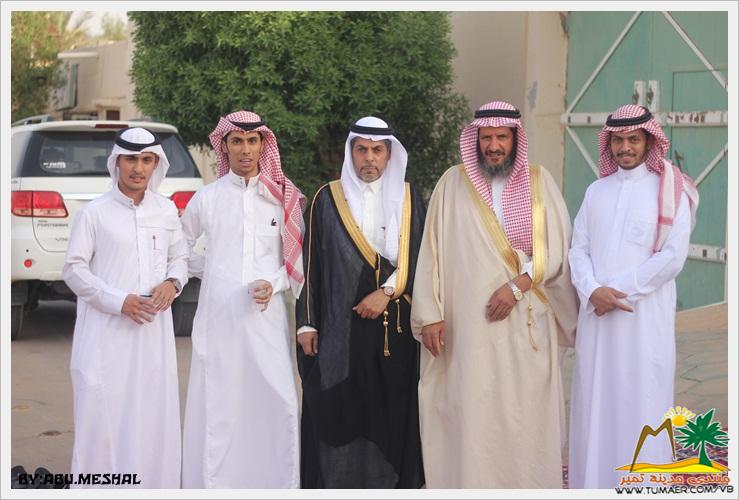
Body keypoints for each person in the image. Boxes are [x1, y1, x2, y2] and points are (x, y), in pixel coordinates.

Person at [410, 101, 578, 488]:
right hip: (468, 328)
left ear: (515, 139)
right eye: (486, 137)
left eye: (502, 137)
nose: (494, 145)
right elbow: (431, 253)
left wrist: (517, 286)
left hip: (525, 322)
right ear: (475, 140)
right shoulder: (452, 184)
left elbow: (557, 249)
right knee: (472, 408)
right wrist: (430, 314)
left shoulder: (539, 182)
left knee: (524, 411)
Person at [568, 104, 699, 489]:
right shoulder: (596, 191)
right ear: (608, 143)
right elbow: (578, 250)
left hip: (643, 321)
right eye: (618, 140)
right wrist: (593, 290)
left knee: (642, 402)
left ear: (649, 141)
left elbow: (672, 258)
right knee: (595, 403)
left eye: (633, 139)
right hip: (596, 319)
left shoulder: (671, 192)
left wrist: (616, 292)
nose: (625, 147)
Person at [296, 117, 426, 488]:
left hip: (394, 329)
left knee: (391, 408)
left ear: (389, 155)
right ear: (351, 152)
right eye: (362, 149)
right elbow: (311, 264)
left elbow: (421, 256)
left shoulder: (410, 198)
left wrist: (385, 292)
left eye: (377, 150)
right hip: (340, 327)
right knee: (338, 406)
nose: (369, 158)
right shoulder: (327, 198)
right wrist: (307, 322)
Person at [180, 110, 305, 488]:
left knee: (278, 400)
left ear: (264, 145)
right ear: (225, 146)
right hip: (218, 319)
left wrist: (275, 283)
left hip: (265, 320)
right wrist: (212, 272)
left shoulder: (282, 198)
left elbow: (297, 259)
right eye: (237, 141)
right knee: (219, 404)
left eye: (252, 141)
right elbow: (179, 246)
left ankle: (275, 485)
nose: (245, 149)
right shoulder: (207, 198)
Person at [63, 127, 188, 488]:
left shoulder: (166, 210)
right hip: (106, 336)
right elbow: (74, 270)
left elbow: (180, 257)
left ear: (156, 164)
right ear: (116, 162)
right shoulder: (94, 213)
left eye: (147, 160)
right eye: (131, 159)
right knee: (102, 417)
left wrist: (172, 282)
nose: (138, 168)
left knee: (151, 417)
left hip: (152, 337)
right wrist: (120, 302)